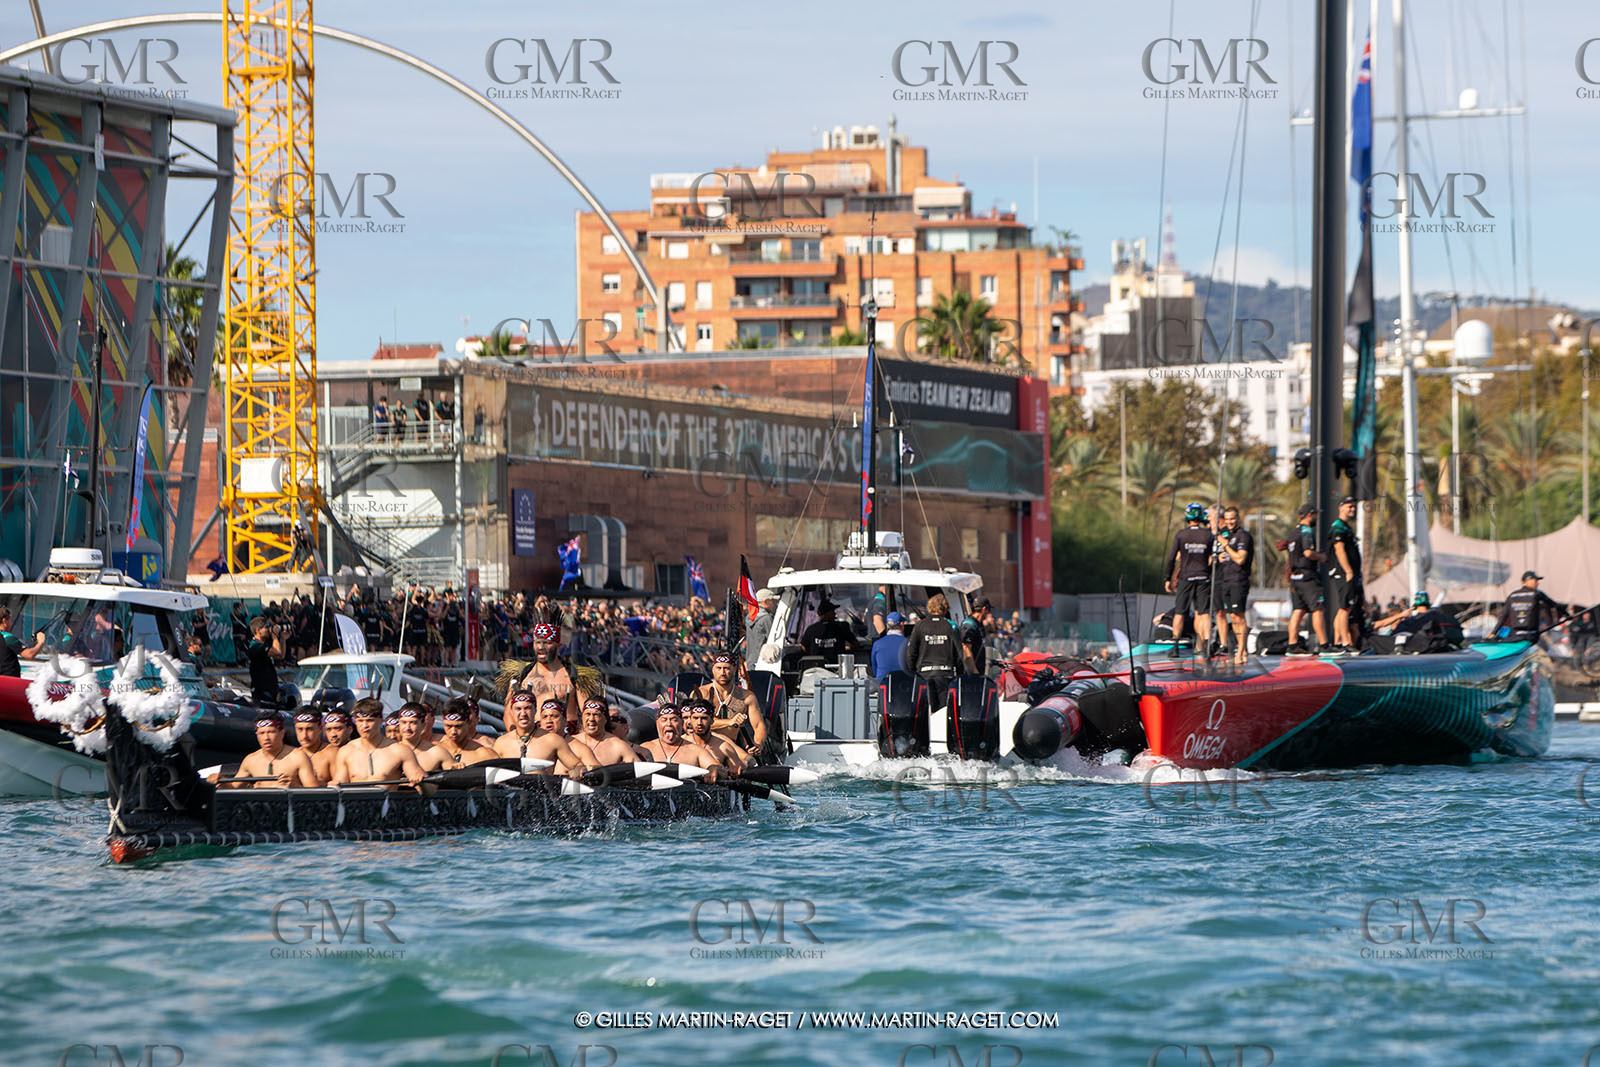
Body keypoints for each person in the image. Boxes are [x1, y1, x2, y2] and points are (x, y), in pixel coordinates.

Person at [333, 698, 427, 787]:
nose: (365, 725)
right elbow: (339, 784)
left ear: (381, 720)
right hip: (356, 799)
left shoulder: (400, 751)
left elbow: (429, 791)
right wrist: (334, 785)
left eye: (370, 720)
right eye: (360, 721)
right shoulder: (346, 751)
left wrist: (421, 782)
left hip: (388, 798)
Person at [1164, 502, 1215, 657]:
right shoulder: (1208, 535)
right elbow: (1212, 557)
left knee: (1180, 612)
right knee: (1203, 613)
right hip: (1203, 577)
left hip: (1186, 578)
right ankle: (1206, 646)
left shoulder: (1181, 535)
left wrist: (1168, 578)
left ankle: (1175, 647)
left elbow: (1171, 558)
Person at [693, 651, 767, 752]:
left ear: (734, 669)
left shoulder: (747, 696)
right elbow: (695, 723)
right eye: (719, 668)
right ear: (713, 669)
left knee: (748, 759)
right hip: (704, 748)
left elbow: (759, 725)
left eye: (726, 668)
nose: (722, 673)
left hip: (733, 749)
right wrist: (729, 722)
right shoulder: (701, 693)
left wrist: (758, 744)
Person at [230, 710, 320, 789]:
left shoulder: (298, 756)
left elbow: (314, 791)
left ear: (282, 733)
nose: (266, 738)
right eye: (261, 733)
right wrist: (221, 781)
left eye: (271, 732)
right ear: (256, 735)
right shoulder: (250, 760)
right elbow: (233, 787)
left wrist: (294, 787)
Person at [1283, 504, 1329, 655]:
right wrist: (1320, 556)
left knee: (1298, 611)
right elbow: (1308, 553)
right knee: (1318, 609)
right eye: (1315, 515)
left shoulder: (1294, 532)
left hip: (1295, 578)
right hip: (1308, 577)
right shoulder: (1306, 531)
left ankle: (1292, 645)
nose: (1316, 518)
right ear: (1309, 515)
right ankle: (1324, 645)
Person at [516, 620, 579, 727]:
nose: (541, 647)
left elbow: (588, 712)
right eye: (537, 642)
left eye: (547, 643)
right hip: (532, 734)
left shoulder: (576, 675)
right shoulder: (521, 674)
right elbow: (509, 713)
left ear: (559, 646)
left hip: (566, 734)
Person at [906, 593, 961, 711]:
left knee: (927, 711)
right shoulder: (951, 626)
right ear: (945, 607)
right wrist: (960, 674)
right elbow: (959, 654)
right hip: (945, 674)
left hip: (924, 674)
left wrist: (912, 673)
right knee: (943, 711)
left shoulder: (919, 626)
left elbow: (911, 653)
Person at [1215, 506, 1255, 666]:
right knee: (1232, 617)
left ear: (1238, 518)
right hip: (1226, 581)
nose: (1229, 522)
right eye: (1227, 519)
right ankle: (1241, 650)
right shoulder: (1227, 535)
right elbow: (1227, 555)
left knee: (1239, 616)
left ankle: (1241, 651)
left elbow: (1240, 559)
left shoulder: (1243, 536)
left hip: (1238, 580)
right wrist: (1221, 555)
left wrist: (1226, 546)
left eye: (1232, 518)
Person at [640, 704, 721, 781]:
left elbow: (719, 768)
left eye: (674, 720)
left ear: (682, 723)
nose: (669, 724)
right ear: (657, 724)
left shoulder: (696, 750)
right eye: (664, 720)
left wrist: (714, 769)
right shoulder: (645, 748)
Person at [1328, 496, 1365, 653]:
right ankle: (1345, 643)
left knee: (1344, 608)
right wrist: (1348, 570)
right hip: (1344, 573)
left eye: (1353, 506)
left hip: (1352, 574)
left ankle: (1337, 642)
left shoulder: (1346, 527)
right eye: (1349, 506)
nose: (1352, 509)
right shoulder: (1338, 527)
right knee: (1345, 608)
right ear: (1341, 508)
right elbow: (1339, 549)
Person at [1371, 593, 1464, 653]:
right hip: (1444, 648)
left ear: (1415, 605)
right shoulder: (1441, 616)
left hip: (1423, 650)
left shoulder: (1412, 621)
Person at [418, 698, 495, 770]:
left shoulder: (485, 755)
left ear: (468, 723)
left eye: (458, 726)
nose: (453, 732)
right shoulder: (432, 749)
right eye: (448, 726)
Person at [568, 696, 640, 768]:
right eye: (587, 714)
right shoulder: (570, 742)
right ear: (582, 717)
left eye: (596, 715)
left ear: (605, 719)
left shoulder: (618, 746)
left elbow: (639, 770)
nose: (591, 719)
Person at [682, 698, 748, 772]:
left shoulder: (723, 746)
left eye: (704, 718)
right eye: (695, 718)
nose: (699, 722)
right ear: (690, 720)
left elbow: (740, 770)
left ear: (712, 720)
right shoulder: (681, 744)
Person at [1497, 571, 1561, 642]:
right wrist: (1567, 615)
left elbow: (1503, 616)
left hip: (1515, 634)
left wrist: (1494, 632)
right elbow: (1554, 605)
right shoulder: (1536, 593)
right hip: (1531, 636)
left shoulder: (1512, 595)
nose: (1537, 583)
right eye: (1535, 581)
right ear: (1526, 581)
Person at [801, 599, 859, 665]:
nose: (835, 613)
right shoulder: (841, 627)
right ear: (827, 613)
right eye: (833, 611)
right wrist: (847, 648)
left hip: (816, 667)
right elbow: (855, 644)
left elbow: (803, 647)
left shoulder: (811, 629)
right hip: (836, 667)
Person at [246, 616, 285, 707]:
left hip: (270, 689)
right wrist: (274, 636)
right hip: (262, 691)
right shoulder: (255, 646)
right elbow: (277, 651)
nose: (269, 630)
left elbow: (281, 655)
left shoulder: (264, 645)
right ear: (258, 630)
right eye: (266, 627)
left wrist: (283, 639)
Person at [0, 607, 44, 676]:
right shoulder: (7, 638)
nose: (11, 623)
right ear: (4, 621)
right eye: (10, 620)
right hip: (9, 679)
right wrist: (41, 642)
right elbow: (29, 654)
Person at [290, 709, 330, 786]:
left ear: (320, 728)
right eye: (300, 729)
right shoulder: (291, 756)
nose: (304, 735)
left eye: (309, 729)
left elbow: (341, 787)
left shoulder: (331, 754)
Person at [314, 706, 352, 782]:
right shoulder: (321, 753)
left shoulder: (357, 752)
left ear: (350, 729)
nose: (333, 734)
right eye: (328, 729)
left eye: (338, 729)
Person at [959, 598, 993, 676]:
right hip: (971, 674)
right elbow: (966, 648)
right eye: (988, 610)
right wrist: (974, 671)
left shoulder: (979, 624)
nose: (988, 613)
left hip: (980, 670)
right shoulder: (970, 624)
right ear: (984, 609)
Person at [746, 588, 779, 668]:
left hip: (750, 660)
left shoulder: (750, 617)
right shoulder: (766, 618)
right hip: (762, 661)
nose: (774, 603)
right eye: (772, 600)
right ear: (766, 602)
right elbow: (774, 640)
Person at [871, 612, 909, 679]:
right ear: (902, 624)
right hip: (904, 682)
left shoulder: (877, 644)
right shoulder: (908, 643)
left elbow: (874, 667)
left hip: (883, 682)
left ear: (887, 625)